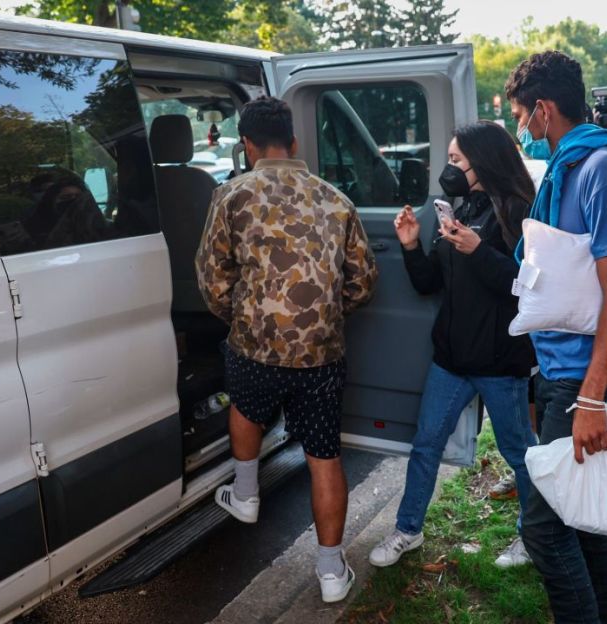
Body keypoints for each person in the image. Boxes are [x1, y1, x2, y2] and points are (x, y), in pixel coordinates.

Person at [196, 96, 378, 603]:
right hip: (320, 353)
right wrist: (322, 316)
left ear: (248, 146)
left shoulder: (232, 197)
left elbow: (212, 280)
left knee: (247, 408)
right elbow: (362, 283)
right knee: (324, 456)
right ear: (293, 143)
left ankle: (247, 493)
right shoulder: (335, 200)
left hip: (253, 346)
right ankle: (329, 572)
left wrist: (244, 320)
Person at [506, 50, 607, 624]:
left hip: (581, 376)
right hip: (562, 367)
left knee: (544, 530)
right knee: (579, 516)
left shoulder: (603, 169)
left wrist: (592, 397)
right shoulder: (572, 165)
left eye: (522, 115)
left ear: (543, 110)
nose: (521, 128)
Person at [368, 121, 539, 571]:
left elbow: (527, 287)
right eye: (449, 159)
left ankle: (534, 535)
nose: (449, 168)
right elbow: (429, 284)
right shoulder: (461, 208)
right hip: (451, 359)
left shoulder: (521, 211)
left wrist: (479, 250)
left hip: (502, 362)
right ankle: (408, 528)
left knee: (520, 453)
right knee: (425, 445)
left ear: (482, 163)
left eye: (457, 160)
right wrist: (409, 246)